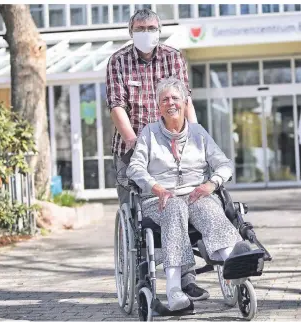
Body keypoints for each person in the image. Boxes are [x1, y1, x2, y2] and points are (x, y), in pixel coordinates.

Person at [105, 9, 205, 301]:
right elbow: (116, 107)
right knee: (137, 218)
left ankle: (186, 279)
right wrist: (137, 144)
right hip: (132, 149)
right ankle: (141, 281)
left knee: (180, 207)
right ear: (131, 32)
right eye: (140, 27)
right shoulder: (118, 62)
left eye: (151, 26)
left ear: (159, 30)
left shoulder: (173, 58)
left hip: (174, 147)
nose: (146, 31)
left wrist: (196, 138)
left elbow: (185, 103)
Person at [127, 77, 246, 311]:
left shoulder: (198, 133)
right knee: (174, 207)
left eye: (175, 98)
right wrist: (156, 187)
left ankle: (235, 263)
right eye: (165, 99)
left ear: (184, 102)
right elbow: (135, 167)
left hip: (196, 194)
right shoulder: (149, 134)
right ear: (158, 106)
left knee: (210, 208)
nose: (170, 103)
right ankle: (173, 289)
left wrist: (211, 184)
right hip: (160, 199)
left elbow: (224, 164)